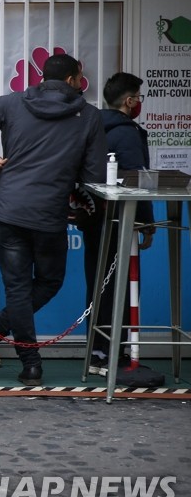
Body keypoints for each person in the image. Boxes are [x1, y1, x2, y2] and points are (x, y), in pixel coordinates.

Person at [0, 53, 106, 385]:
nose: (82, 84)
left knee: (18, 287)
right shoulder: (90, 116)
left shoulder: (14, 103)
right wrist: (82, 202)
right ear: (70, 80)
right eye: (80, 78)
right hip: (50, 211)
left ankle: (11, 350)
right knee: (49, 282)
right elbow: (94, 175)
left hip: (9, 209)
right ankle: (18, 354)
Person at [82, 72, 155, 375]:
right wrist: (147, 223)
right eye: (138, 97)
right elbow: (138, 182)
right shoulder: (126, 132)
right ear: (128, 101)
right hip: (119, 220)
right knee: (117, 287)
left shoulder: (92, 125)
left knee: (98, 285)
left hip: (93, 217)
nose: (139, 103)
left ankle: (97, 352)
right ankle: (111, 354)